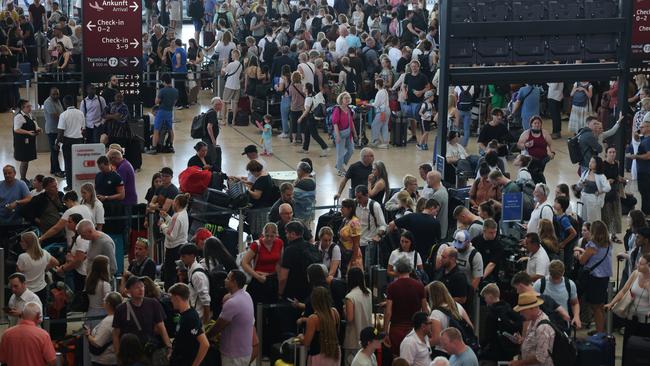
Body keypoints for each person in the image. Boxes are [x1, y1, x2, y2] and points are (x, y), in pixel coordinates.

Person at [605, 252, 650, 364]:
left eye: (641, 264)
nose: (637, 265)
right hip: (631, 318)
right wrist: (612, 303)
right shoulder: (635, 274)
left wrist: (648, 288)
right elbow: (623, 291)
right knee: (628, 347)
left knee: (642, 351)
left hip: (645, 322)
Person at [112, 276, 173, 358]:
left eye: (142, 286)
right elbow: (116, 334)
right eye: (136, 287)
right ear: (129, 290)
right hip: (129, 352)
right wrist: (118, 354)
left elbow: (161, 326)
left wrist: (169, 346)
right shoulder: (121, 309)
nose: (141, 289)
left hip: (148, 350)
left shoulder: (153, 304)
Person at [383, 259, 428, 357]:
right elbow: (425, 310)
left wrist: (385, 332)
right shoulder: (419, 286)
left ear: (397, 271)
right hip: (415, 330)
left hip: (396, 329)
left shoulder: (392, 287)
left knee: (398, 359)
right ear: (410, 270)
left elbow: (388, 312)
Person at [574, 220, 612, 333]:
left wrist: (578, 254)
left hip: (594, 278)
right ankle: (601, 330)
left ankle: (600, 333)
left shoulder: (592, 244)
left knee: (595, 307)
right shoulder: (608, 243)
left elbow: (582, 260)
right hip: (604, 277)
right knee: (600, 306)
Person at [211, 270, 255, 366]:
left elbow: (218, 327)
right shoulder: (246, 295)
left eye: (227, 278)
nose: (225, 280)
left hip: (233, 355)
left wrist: (205, 337)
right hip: (245, 351)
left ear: (234, 282)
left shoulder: (232, 302)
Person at [0, 301, 56, 366]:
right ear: (38, 316)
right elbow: (52, 361)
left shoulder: (7, 334)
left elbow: (2, 359)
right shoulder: (43, 335)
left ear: (22, 315)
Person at [427, 281, 473, 358]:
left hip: (443, 353)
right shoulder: (457, 306)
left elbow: (437, 339)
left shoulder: (436, 313)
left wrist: (422, 344)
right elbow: (470, 326)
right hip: (459, 351)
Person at [168, 283, 210, 366]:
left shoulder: (190, 318)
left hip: (187, 361)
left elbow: (205, 344)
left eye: (171, 298)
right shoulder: (185, 314)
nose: (171, 301)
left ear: (177, 298)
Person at [479, 283, 522, 363]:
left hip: (496, 351)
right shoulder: (509, 308)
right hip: (511, 351)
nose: (485, 300)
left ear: (490, 296)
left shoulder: (492, 314)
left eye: (485, 297)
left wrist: (480, 346)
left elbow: (488, 336)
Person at [279, 221, 321, 301]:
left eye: (287, 233)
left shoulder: (289, 250)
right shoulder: (312, 247)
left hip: (294, 294)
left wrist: (280, 293)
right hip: (311, 291)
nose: (286, 236)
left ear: (293, 234)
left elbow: (283, 278)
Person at [533, 260, 581, 330]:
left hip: (563, 325)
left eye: (558, 277)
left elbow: (574, 303)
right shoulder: (539, 284)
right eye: (553, 277)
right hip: (544, 326)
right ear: (549, 273)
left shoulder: (570, 284)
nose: (556, 281)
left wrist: (576, 317)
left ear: (563, 272)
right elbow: (532, 305)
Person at [299, 286, 341, 366]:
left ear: (314, 301)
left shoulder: (313, 318)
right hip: (334, 353)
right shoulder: (335, 313)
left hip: (318, 356)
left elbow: (306, 342)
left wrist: (301, 337)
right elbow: (336, 334)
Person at [242, 222, 282, 305]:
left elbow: (279, 263)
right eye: (267, 235)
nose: (269, 238)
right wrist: (257, 276)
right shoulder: (256, 245)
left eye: (272, 236)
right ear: (263, 234)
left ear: (276, 235)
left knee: (272, 307)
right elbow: (244, 263)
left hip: (273, 280)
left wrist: (280, 281)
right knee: (258, 308)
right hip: (258, 279)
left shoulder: (279, 243)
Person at [16, 232, 58, 306]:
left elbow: (18, 275)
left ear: (27, 243)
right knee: (40, 312)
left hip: (27, 291)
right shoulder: (44, 253)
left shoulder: (22, 257)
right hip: (42, 289)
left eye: (22, 241)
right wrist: (45, 269)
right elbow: (56, 262)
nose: (20, 243)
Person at [160, 193, 190, 289]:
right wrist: (167, 217)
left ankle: (169, 295)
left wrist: (162, 225)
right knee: (178, 275)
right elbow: (175, 227)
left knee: (170, 276)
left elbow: (171, 235)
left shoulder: (177, 216)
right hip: (181, 246)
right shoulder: (184, 214)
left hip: (173, 249)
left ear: (176, 202)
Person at [343, 267, 372, 364]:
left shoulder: (350, 297)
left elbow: (350, 318)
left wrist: (344, 311)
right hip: (367, 338)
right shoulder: (368, 292)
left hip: (353, 339)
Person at [85, 292, 122, 366]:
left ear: (108, 304)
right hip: (112, 358)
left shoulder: (108, 321)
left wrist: (88, 334)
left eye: (104, 299)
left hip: (104, 360)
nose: (102, 300)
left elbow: (97, 343)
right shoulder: (119, 316)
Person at [354, 184, 386, 267]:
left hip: (369, 245)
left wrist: (378, 235)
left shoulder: (375, 206)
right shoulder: (355, 204)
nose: (357, 200)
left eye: (360, 197)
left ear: (367, 195)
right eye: (356, 197)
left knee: (367, 269)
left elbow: (383, 225)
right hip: (356, 243)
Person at [516, 116, 554, 183]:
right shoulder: (526, 133)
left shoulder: (545, 133)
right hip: (530, 160)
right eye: (535, 123)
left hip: (543, 159)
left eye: (539, 123)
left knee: (539, 174)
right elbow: (518, 145)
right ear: (531, 124)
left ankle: (539, 186)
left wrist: (552, 153)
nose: (537, 125)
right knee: (534, 175)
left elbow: (550, 144)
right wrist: (525, 145)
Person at [149, 74, 178, 154]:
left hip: (161, 112)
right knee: (170, 129)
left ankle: (154, 148)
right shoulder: (175, 91)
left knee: (156, 130)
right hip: (169, 112)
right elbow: (174, 102)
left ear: (164, 81)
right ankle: (171, 146)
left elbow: (156, 102)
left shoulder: (162, 91)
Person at [13, 99, 41, 181]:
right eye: (28, 106)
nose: (30, 108)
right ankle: (22, 178)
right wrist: (28, 132)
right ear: (22, 108)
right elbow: (16, 129)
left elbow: (34, 123)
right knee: (24, 160)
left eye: (30, 106)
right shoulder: (19, 117)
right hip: (22, 143)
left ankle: (24, 178)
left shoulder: (29, 114)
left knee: (26, 160)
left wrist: (38, 129)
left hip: (28, 142)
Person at [298, 83, 329, 155]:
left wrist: (301, 118)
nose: (302, 88)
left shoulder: (308, 99)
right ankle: (305, 148)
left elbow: (307, 110)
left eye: (303, 87)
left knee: (314, 134)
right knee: (307, 132)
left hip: (311, 118)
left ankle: (325, 147)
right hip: (313, 117)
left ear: (306, 89)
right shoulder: (313, 95)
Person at [577, 156, 611, 223]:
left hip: (593, 201)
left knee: (592, 220)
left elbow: (608, 187)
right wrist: (581, 184)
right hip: (584, 199)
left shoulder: (601, 176)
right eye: (590, 161)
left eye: (593, 162)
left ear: (597, 164)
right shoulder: (585, 172)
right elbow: (578, 184)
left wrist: (600, 191)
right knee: (583, 218)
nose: (590, 163)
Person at [332, 92, 358, 176]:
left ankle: (339, 165)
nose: (347, 99)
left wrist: (355, 133)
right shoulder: (337, 110)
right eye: (345, 98)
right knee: (340, 152)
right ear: (341, 100)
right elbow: (335, 123)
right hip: (340, 133)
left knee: (351, 150)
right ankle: (340, 169)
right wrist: (338, 136)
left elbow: (351, 122)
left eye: (348, 98)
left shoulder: (349, 109)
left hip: (348, 133)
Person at [471, 219, 504, 284]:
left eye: (495, 232)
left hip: (490, 275)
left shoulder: (498, 245)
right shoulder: (476, 240)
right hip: (476, 270)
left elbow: (492, 264)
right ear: (484, 231)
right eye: (491, 232)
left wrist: (481, 278)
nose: (494, 235)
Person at [629, 117, 650, 215]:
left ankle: (646, 212)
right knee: (643, 192)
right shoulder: (644, 138)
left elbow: (648, 155)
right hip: (642, 170)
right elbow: (638, 139)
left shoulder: (648, 140)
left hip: (646, 171)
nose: (640, 128)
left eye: (642, 127)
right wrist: (636, 136)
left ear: (648, 128)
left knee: (645, 192)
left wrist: (636, 156)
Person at [602, 147, 624, 241]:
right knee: (606, 215)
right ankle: (605, 235)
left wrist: (620, 178)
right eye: (610, 152)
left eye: (614, 152)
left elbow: (616, 175)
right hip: (606, 193)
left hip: (615, 191)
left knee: (616, 215)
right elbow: (599, 179)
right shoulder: (602, 165)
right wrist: (607, 181)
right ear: (606, 154)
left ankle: (614, 235)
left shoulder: (617, 164)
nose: (612, 154)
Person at [43, 88, 64, 177]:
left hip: (57, 129)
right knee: (55, 150)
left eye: (57, 94)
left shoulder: (58, 101)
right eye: (54, 94)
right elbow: (55, 116)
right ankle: (57, 170)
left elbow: (61, 113)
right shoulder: (48, 102)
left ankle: (53, 169)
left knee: (55, 150)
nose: (56, 96)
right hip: (52, 130)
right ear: (50, 94)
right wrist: (65, 121)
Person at [221, 48, 243, 126]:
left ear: (234, 55)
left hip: (229, 85)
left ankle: (223, 120)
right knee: (235, 103)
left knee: (225, 102)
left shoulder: (231, 64)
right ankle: (233, 120)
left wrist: (224, 64)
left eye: (232, 55)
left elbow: (222, 73)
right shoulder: (240, 65)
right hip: (237, 86)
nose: (231, 56)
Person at [371, 78, 390, 148]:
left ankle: (375, 140)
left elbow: (376, 104)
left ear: (378, 85)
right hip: (387, 110)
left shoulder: (379, 92)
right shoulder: (385, 91)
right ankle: (385, 142)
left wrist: (368, 104)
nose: (374, 85)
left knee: (374, 125)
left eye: (375, 84)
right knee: (384, 126)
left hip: (382, 111)